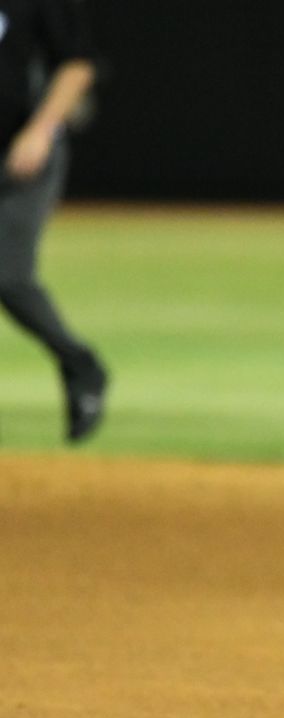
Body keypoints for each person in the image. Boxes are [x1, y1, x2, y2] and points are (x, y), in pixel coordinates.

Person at [1, 0, 107, 442]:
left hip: (22, 154)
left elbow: (78, 63)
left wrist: (41, 131)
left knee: (8, 275)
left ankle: (81, 365)